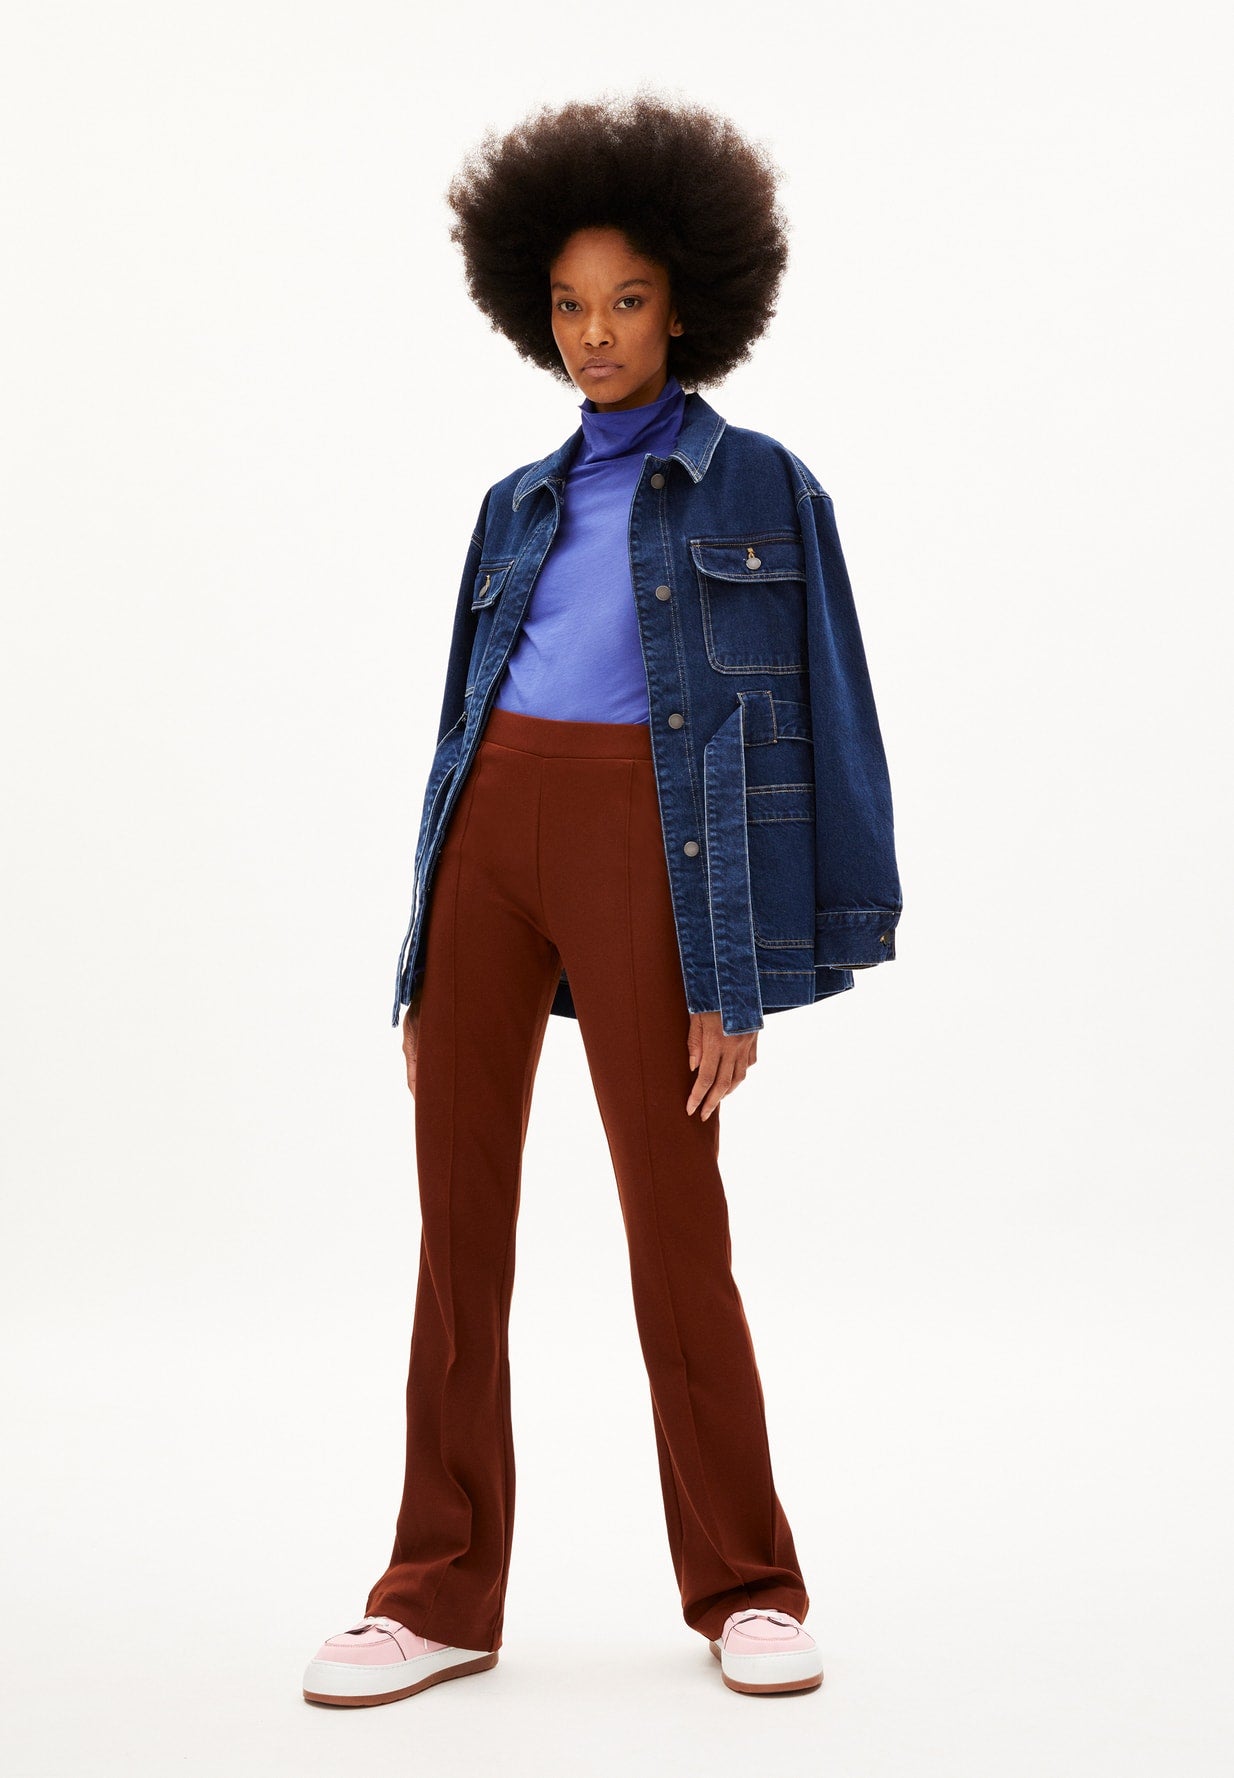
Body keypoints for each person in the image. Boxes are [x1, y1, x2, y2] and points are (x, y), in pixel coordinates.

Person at [303, 90, 901, 1708]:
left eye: (625, 300)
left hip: (654, 854)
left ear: (685, 302)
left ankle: (748, 1587)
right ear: (533, 310)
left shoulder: (762, 487)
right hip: (488, 845)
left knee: (673, 1225)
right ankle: (434, 1591)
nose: (594, 334)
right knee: (456, 1231)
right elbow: (457, 732)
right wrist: (422, 956)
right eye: (568, 304)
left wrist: (744, 971)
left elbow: (823, 724)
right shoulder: (513, 502)